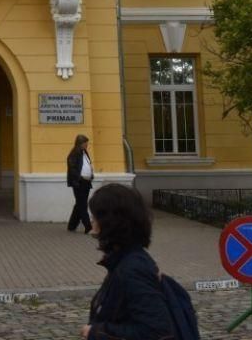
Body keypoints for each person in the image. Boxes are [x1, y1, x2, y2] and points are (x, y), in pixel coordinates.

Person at [81, 184, 175, 340]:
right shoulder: (122, 260)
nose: (92, 222)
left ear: (110, 222)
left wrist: (97, 332)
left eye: (95, 217)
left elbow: (156, 331)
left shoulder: (133, 269)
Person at [66, 134, 94, 232]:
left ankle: (72, 225)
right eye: (85, 143)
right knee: (82, 205)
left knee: (79, 204)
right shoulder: (74, 154)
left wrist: (91, 174)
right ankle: (88, 227)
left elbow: (88, 164)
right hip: (79, 182)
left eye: (87, 143)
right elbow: (72, 169)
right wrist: (79, 177)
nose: (87, 145)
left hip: (86, 182)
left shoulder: (84, 153)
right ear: (80, 143)